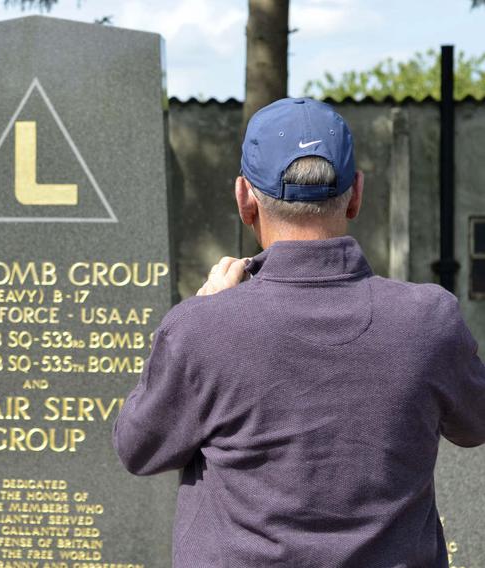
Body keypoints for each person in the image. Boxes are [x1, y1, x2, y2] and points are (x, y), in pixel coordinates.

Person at [113, 97, 485, 566]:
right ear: (356, 194)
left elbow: (138, 449)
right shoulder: (431, 319)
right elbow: (475, 426)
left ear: (244, 198)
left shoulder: (201, 329)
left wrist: (203, 311)